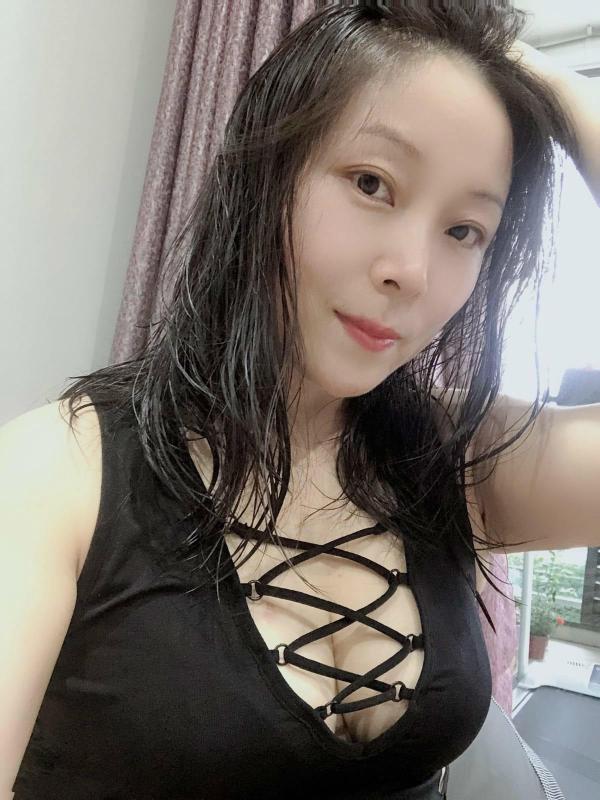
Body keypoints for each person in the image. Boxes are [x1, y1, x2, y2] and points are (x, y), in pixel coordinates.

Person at [2, 2, 599, 798]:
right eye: (372, 184)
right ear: (265, 176)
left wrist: (537, 76)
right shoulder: (59, 474)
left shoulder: (453, 459)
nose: (412, 271)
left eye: (465, 231)